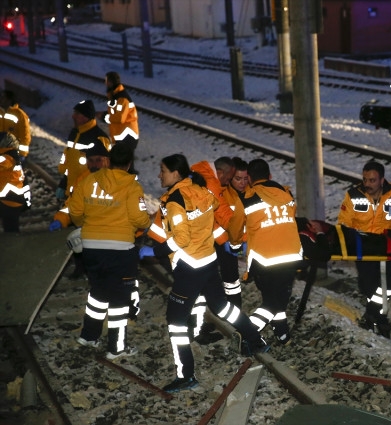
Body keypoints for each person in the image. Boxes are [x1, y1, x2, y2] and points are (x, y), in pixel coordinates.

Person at [139, 154, 267, 393]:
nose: (159, 175)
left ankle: (186, 375)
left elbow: (182, 238)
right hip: (209, 261)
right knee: (222, 307)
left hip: (190, 267)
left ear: (176, 174)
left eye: (163, 170)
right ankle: (255, 339)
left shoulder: (175, 202)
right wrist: (221, 238)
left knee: (176, 322)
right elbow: (213, 212)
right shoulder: (202, 190)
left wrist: (156, 249)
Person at [68, 143, 150, 360]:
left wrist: (88, 225)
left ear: (109, 160)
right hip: (120, 250)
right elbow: (139, 218)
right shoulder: (132, 187)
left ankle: (89, 336)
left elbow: (75, 210)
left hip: (91, 248)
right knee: (120, 300)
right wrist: (140, 224)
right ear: (129, 163)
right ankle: (116, 347)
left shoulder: (89, 180)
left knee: (97, 292)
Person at [232, 158, 303, 346]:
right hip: (290, 256)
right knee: (275, 299)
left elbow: (236, 228)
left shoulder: (246, 199)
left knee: (272, 302)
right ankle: (283, 335)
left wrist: (234, 243)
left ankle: (247, 330)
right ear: (270, 176)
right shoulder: (287, 195)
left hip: (264, 259)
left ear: (249, 179)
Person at [336, 161, 391, 338]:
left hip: (386, 245)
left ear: (382, 180)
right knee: (368, 287)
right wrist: (347, 245)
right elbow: (344, 223)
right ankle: (379, 318)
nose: (367, 184)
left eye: (372, 180)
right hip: (364, 247)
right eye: (365, 179)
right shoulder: (353, 195)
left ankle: (372, 315)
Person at [49, 141, 111, 280]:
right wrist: (60, 219)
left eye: (98, 160)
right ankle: (82, 268)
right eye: (91, 161)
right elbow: (71, 205)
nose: (94, 164)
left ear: (106, 160)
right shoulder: (83, 179)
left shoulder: (115, 179)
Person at [58, 100, 111, 200]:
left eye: (77, 114)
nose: (73, 116)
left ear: (86, 117)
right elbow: (70, 164)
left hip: (87, 197)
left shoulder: (100, 138)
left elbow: (105, 171)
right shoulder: (74, 134)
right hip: (72, 193)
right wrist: (63, 184)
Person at [216, 157, 249, 308]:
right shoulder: (222, 194)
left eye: (245, 179)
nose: (242, 183)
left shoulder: (251, 193)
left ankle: (235, 307)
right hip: (224, 243)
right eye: (238, 179)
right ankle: (233, 306)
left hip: (245, 242)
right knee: (229, 277)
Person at [99, 72, 139, 173]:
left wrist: (104, 117)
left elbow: (120, 117)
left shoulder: (122, 98)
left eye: (106, 80)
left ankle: (132, 183)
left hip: (127, 135)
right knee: (123, 164)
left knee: (126, 165)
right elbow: (115, 113)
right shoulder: (115, 96)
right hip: (121, 135)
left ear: (110, 82)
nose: (105, 83)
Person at [0, 132, 31, 232]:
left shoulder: (7, 157)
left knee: (10, 229)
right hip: (15, 201)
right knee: (11, 229)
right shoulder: (14, 156)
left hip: (7, 201)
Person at [0, 90, 31, 162]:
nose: (1, 99)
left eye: (3, 97)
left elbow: (25, 135)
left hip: (12, 152)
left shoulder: (20, 115)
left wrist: (22, 154)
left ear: (9, 100)